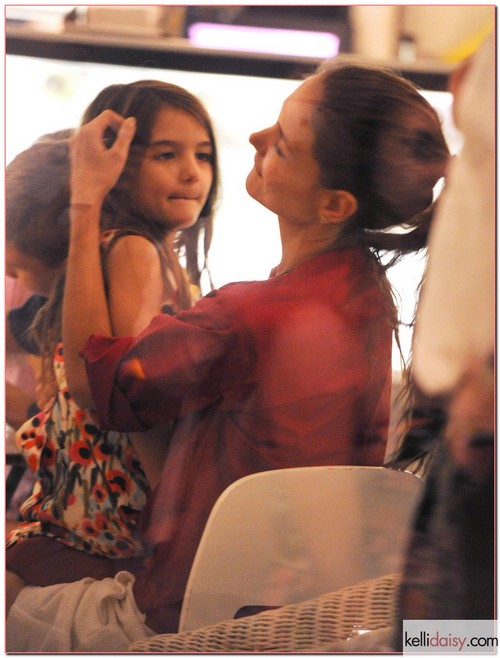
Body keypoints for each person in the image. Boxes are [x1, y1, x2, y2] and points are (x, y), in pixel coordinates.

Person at [7, 57, 449, 651]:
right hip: (298, 610)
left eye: (284, 145)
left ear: (335, 205)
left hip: (191, 618)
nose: (254, 138)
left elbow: (95, 385)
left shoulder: (247, 318)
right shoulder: (366, 293)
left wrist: (87, 198)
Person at [5, 81, 219, 614]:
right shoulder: (132, 248)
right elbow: (119, 389)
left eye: (203, 155)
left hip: (104, 523)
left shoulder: (137, 251)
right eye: (167, 155)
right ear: (120, 166)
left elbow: (123, 400)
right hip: (103, 511)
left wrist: (168, 534)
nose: (192, 172)